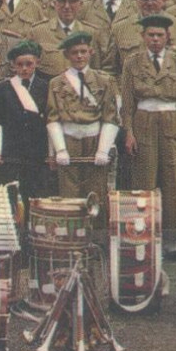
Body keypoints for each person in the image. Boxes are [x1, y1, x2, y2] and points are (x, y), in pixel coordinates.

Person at [121, 13, 176, 259]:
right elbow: (128, 102)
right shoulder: (132, 63)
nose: (155, 39)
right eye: (150, 35)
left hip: (170, 122)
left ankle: (174, 241)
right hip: (143, 121)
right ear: (142, 37)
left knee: (173, 180)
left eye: (159, 35)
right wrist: (128, 132)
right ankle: (143, 237)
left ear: (167, 37)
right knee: (144, 180)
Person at [46, 31, 120, 221]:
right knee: (69, 192)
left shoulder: (104, 81)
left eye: (83, 51)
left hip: (94, 140)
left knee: (95, 192)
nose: (79, 56)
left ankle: (96, 238)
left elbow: (111, 117)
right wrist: (59, 150)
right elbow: (53, 118)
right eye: (74, 52)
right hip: (69, 140)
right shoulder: (56, 83)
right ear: (67, 55)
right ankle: (71, 237)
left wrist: (103, 150)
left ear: (91, 52)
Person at [0, 40, 50, 198]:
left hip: (36, 151)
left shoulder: (46, 87)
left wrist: (52, 152)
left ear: (37, 62)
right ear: (13, 65)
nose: (24, 69)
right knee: (8, 194)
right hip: (11, 151)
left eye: (29, 64)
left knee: (34, 193)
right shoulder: (3, 88)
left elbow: (51, 120)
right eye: (20, 64)